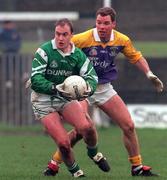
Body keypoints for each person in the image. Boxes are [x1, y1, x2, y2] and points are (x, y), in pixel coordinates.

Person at [44, 7, 164, 177]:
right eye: (99, 22)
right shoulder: (83, 39)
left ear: (113, 24)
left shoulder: (122, 40)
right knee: (81, 129)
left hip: (103, 88)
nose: (101, 26)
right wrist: (42, 73)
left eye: (106, 23)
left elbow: (136, 57)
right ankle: (54, 163)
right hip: (82, 88)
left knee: (129, 125)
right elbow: (56, 48)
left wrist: (149, 73)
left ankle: (136, 167)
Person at [30, 18, 110, 178]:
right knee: (64, 144)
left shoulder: (77, 55)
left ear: (71, 35)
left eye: (64, 34)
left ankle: (94, 153)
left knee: (87, 127)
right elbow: (35, 78)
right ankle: (77, 173)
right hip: (43, 100)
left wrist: (89, 88)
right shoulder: (45, 51)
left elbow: (91, 76)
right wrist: (54, 87)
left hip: (65, 98)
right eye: (57, 34)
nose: (60, 38)